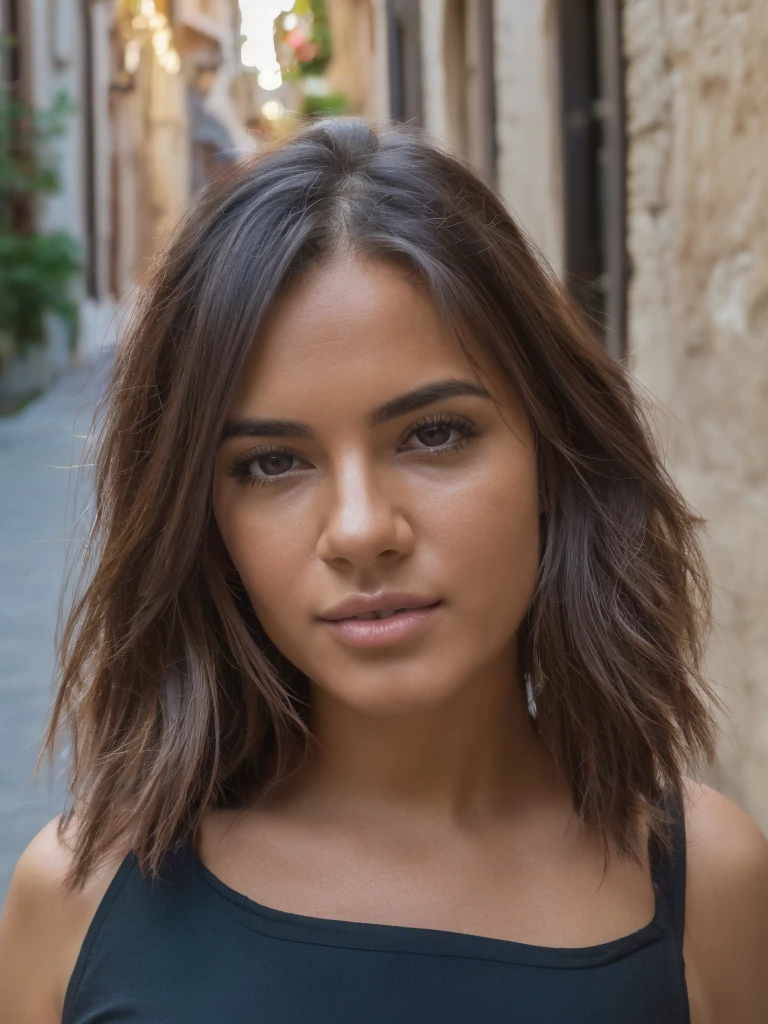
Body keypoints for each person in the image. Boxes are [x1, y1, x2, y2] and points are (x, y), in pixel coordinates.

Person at [1, 117, 766, 1024]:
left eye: (434, 434)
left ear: (556, 459)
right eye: (271, 463)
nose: (362, 531)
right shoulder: (74, 901)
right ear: (204, 522)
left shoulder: (706, 883)